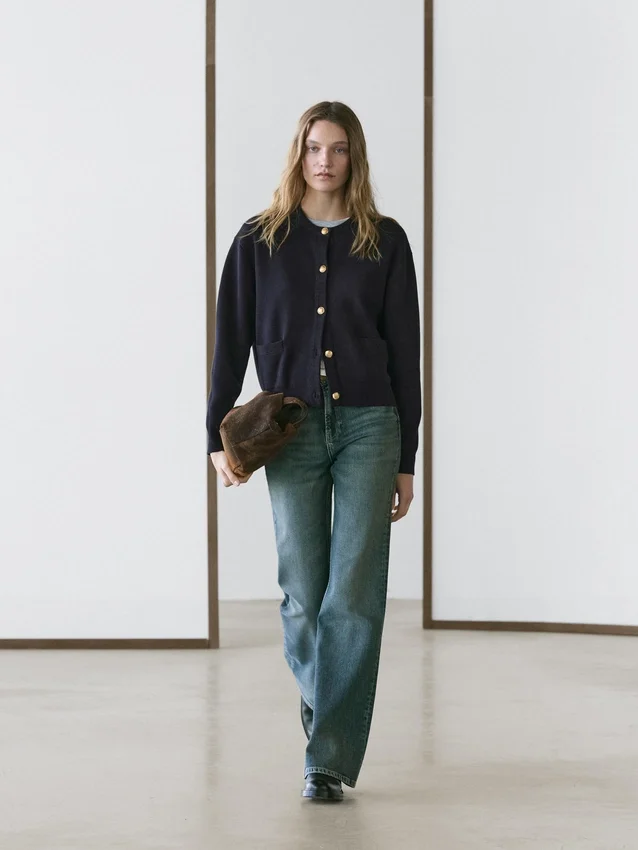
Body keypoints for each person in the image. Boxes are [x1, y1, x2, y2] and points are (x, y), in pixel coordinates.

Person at [206, 101, 421, 801]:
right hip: (290, 430)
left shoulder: (385, 241)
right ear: (297, 154)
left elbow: (406, 354)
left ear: (355, 157)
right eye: (313, 147)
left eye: (338, 149)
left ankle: (324, 760)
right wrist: (214, 434)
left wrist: (407, 457)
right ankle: (329, 706)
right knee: (302, 593)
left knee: (353, 596)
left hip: (369, 427)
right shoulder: (258, 239)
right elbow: (229, 340)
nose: (324, 161)